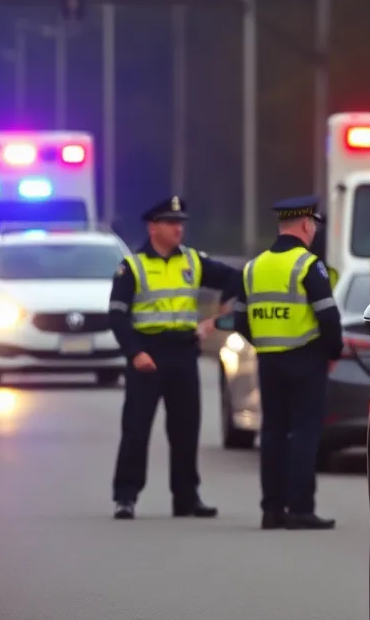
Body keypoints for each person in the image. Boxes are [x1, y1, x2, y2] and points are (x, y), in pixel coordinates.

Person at [108, 195, 242, 520]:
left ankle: (186, 497)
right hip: (147, 358)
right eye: (170, 223)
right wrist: (134, 352)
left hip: (183, 354)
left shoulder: (193, 261)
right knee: (136, 430)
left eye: (180, 223)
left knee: (185, 430)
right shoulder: (133, 267)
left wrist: (217, 318)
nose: (178, 229)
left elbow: (235, 278)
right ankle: (126, 497)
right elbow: (116, 315)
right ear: (153, 227)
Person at [234, 196, 342, 530]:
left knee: (273, 433)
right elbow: (328, 315)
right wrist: (332, 352)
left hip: (269, 361)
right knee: (305, 434)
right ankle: (300, 509)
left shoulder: (253, 267)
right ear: (307, 225)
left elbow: (239, 320)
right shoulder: (308, 265)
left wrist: (265, 342)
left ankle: (272, 509)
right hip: (306, 359)